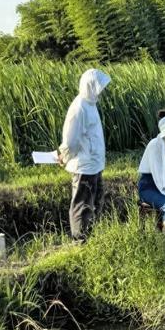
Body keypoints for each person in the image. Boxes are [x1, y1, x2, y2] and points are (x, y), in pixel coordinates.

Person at [58, 68, 111, 243]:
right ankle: (79, 241)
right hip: (84, 165)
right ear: (90, 86)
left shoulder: (91, 104)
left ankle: (90, 238)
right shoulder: (79, 107)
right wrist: (64, 156)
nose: (101, 91)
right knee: (82, 205)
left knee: (95, 203)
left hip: (94, 164)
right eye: (99, 87)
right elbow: (71, 140)